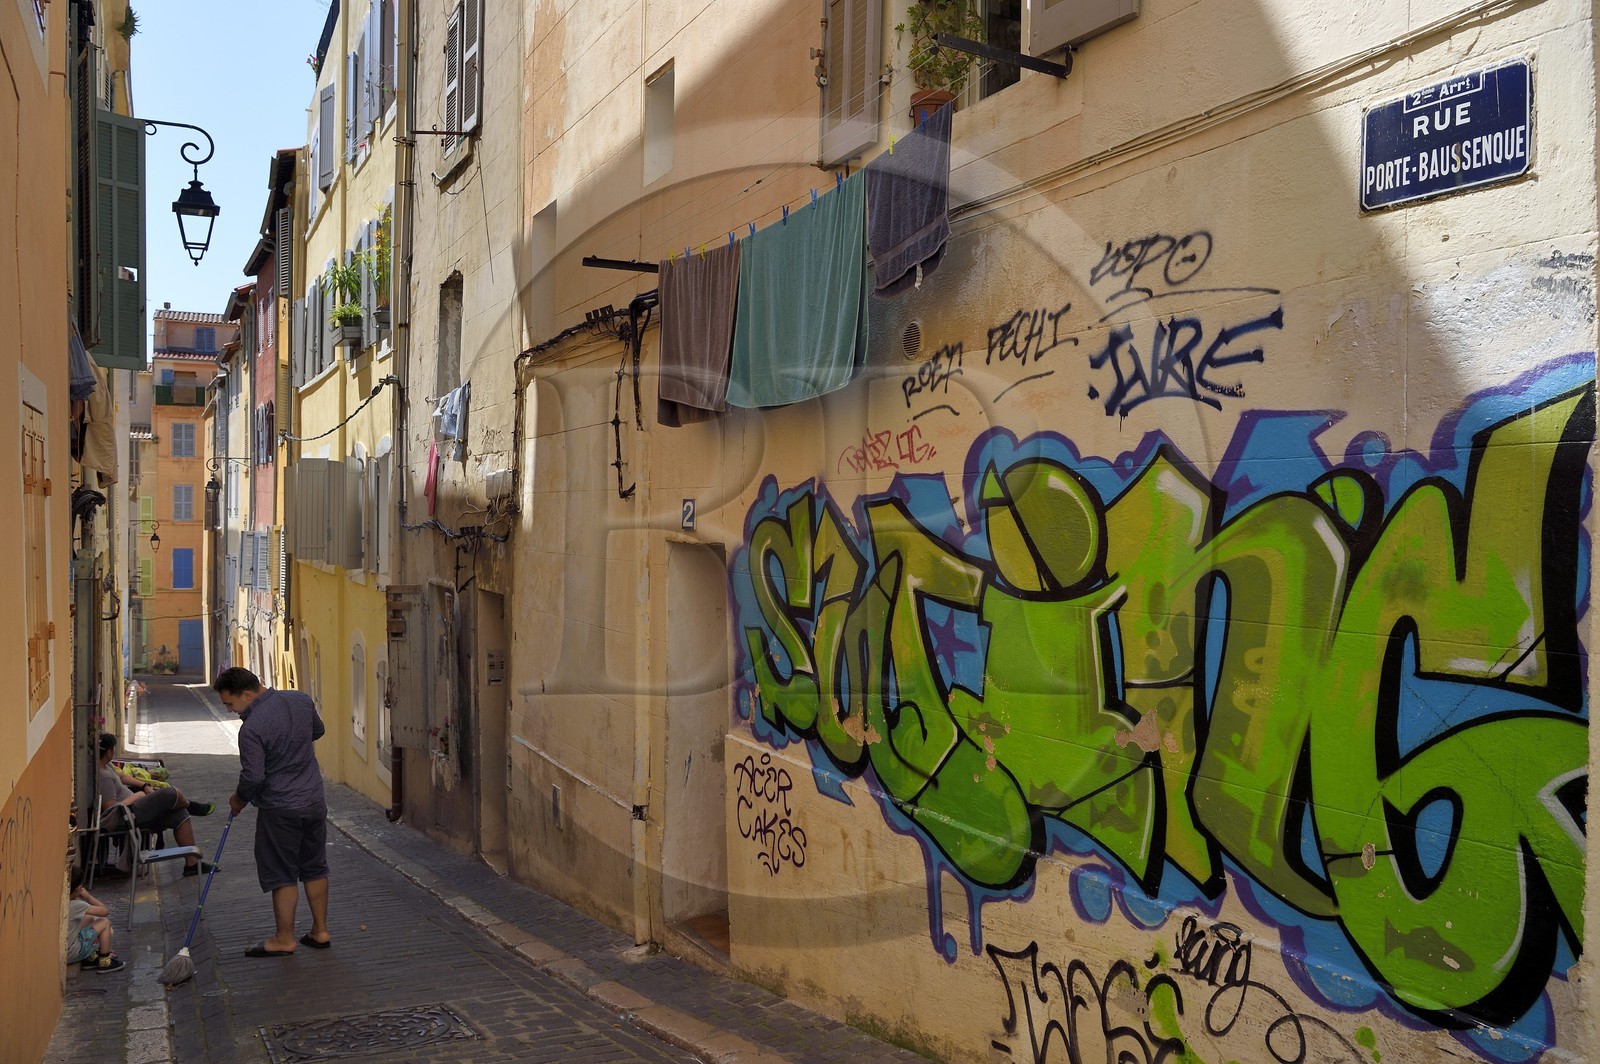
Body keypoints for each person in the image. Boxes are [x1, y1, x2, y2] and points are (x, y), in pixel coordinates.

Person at [213, 667, 331, 957]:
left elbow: (253, 776)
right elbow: (318, 730)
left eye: (230, 703)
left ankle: (284, 938)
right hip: (314, 800)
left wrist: (239, 800)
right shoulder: (301, 700)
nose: (230, 710)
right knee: (315, 866)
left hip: (280, 808)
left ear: (248, 694)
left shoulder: (251, 729)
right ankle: (320, 931)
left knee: (282, 872)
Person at [95, 733, 215, 877]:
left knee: (180, 815)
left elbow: (122, 776)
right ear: (109, 752)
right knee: (170, 793)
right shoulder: (103, 777)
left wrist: (144, 785)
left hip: (136, 807)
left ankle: (192, 864)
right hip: (127, 815)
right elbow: (110, 810)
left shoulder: (106, 766)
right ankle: (190, 805)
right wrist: (136, 796)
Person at [66, 866, 124, 972]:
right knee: (105, 923)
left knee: (88, 918)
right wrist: (88, 897)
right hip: (71, 953)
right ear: (79, 888)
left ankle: (90, 957)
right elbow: (104, 912)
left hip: (62, 950)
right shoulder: (76, 905)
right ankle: (105, 961)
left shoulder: (62, 903)